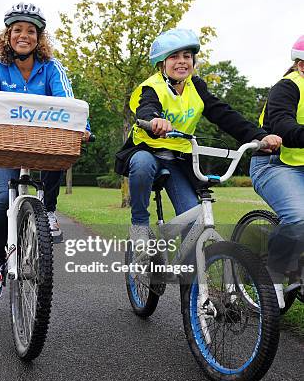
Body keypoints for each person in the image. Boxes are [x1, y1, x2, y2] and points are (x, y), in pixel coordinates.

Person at [0, 2, 89, 300]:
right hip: (4, 143)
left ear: (39, 38)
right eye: (17, 30)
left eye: (31, 31)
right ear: (7, 36)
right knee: (4, 197)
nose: (23, 35)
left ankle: (49, 210)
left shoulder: (53, 68)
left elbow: (67, 102)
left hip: (40, 144)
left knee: (60, 148)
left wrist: (83, 126)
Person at [114, 28, 281, 246]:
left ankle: (191, 278)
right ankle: (140, 224)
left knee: (194, 219)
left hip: (179, 159)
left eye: (187, 56)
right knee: (142, 163)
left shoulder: (196, 86)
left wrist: (260, 136)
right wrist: (154, 120)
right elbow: (146, 108)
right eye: (173, 57)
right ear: (161, 64)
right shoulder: (151, 87)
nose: (182, 61)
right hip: (148, 151)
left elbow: (224, 114)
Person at [250, 35, 304, 308]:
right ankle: (270, 278)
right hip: (273, 164)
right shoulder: (286, 87)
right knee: (298, 217)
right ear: (301, 65)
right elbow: (282, 126)